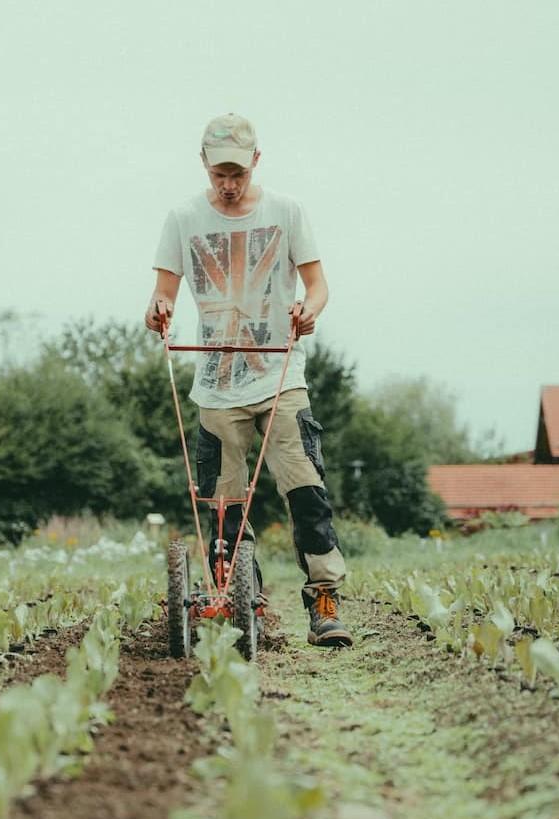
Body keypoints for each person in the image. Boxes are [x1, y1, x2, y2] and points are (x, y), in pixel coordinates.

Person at [146, 113, 352, 648]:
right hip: (216, 383)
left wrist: (311, 310)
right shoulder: (182, 219)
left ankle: (324, 600)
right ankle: (242, 598)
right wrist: (160, 309)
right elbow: (162, 294)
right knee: (222, 504)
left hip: (281, 374)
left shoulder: (287, 212)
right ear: (204, 165)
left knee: (306, 488)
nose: (229, 184)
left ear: (256, 161)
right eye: (220, 174)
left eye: (237, 173)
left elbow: (318, 285)